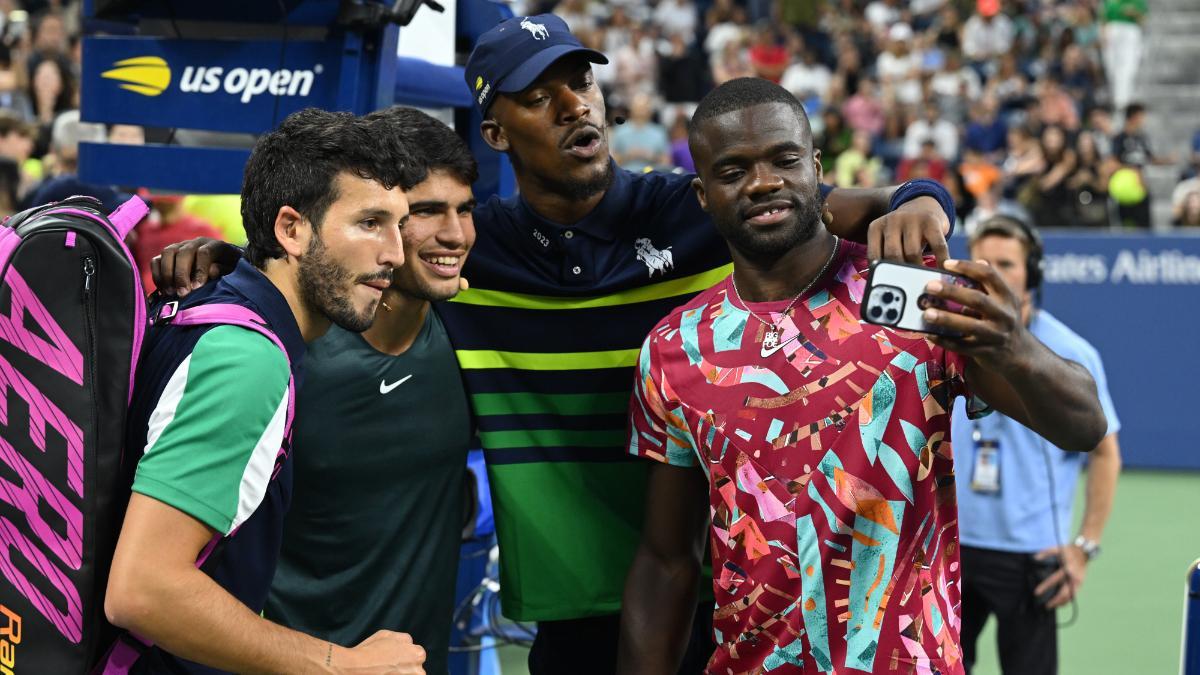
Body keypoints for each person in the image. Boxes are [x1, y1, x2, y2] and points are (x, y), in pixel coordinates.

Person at [156, 14, 965, 674]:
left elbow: (839, 201)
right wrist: (238, 266)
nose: (575, 104)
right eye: (540, 98)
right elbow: (333, 266)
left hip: (725, 596)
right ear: (497, 135)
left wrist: (922, 195)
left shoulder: (696, 210)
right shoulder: (469, 253)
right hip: (573, 614)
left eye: (580, 82)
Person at [616, 77, 1107, 675]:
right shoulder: (675, 348)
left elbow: (1083, 424)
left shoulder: (911, 295)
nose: (764, 182)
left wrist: (1011, 345)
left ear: (816, 167)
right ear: (702, 195)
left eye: (784, 159)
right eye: (733, 170)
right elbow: (667, 560)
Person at [104, 109, 427, 674]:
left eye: (399, 225)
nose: (394, 253)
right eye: (370, 222)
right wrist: (338, 664)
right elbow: (144, 590)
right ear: (291, 229)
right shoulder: (247, 358)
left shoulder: (210, 302)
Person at [264, 107, 478, 675]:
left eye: (465, 210)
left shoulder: (469, 330)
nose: (455, 234)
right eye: (428, 212)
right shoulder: (282, 353)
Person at [953, 216, 1122, 675]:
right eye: (982, 262)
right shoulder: (943, 340)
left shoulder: (1069, 355)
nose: (993, 273)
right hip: (948, 549)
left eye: (1006, 264)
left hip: (1031, 556)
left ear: (1034, 274)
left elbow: (1105, 453)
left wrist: (1083, 547)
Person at [1100, 0, 1146, 114]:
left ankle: (1124, 102)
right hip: (1112, 30)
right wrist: (1103, 34)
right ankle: (1116, 99)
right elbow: (1103, 18)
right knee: (1111, 68)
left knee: (1128, 68)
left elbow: (1143, 19)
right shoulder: (1109, 1)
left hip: (1130, 30)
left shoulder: (1137, 1)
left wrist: (1133, 13)